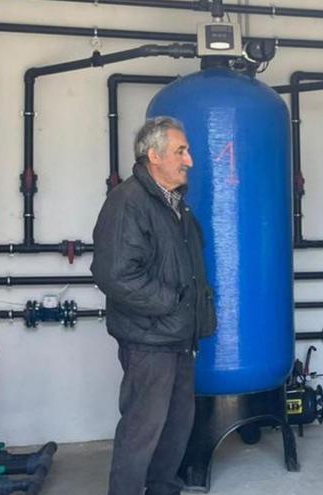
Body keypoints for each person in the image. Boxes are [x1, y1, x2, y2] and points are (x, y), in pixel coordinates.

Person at [91, 116, 216, 495]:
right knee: (142, 429)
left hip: (177, 336)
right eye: (181, 151)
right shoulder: (128, 202)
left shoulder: (175, 205)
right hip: (149, 338)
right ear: (153, 155)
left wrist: (191, 313)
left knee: (177, 424)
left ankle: (163, 489)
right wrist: (172, 303)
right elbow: (114, 274)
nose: (189, 160)